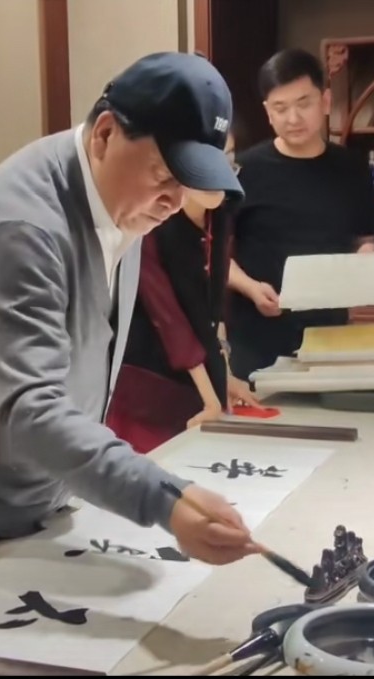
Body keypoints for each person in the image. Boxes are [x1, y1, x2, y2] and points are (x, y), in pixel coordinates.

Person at [0, 52, 259, 587]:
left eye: (186, 184)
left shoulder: (122, 199)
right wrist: (165, 500)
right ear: (105, 134)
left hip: (45, 480)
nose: (173, 202)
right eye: (163, 176)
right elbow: (33, 410)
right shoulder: (23, 226)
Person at [225, 48, 374, 381]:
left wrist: (367, 254)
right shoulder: (243, 170)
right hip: (258, 337)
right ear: (268, 112)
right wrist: (250, 287)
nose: (293, 118)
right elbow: (212, 251)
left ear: (325, 101)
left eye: (303, 103)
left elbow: (366, 235)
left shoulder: (352, 168)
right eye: (280, 108)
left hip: (329, 336)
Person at [106, 131, 261, 454]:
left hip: (193, 382)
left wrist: (224, 380)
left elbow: (213, 312)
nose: (220, 175)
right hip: (146, 384)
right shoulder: (149, 221)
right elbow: (171, 322)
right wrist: (211, 399)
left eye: (229, 159)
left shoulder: (218, 213)